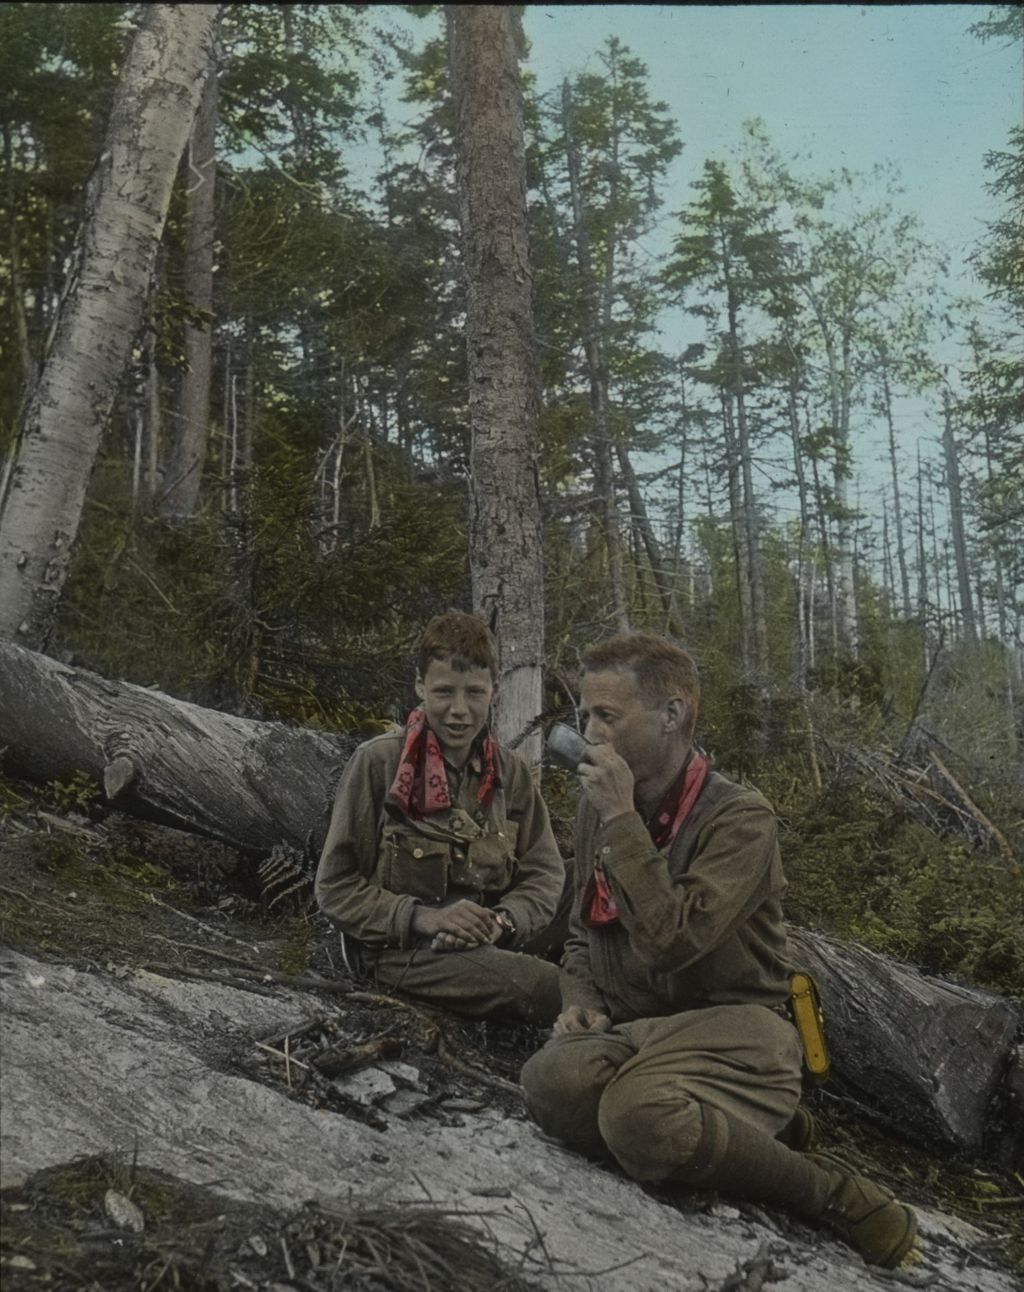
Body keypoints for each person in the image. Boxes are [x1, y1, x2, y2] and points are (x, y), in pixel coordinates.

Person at [521, 633, 918, 1269]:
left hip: (738, 1028)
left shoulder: (739, 818)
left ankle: (827, 1191)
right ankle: (747, 1126)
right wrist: (581, 999)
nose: (588, 733)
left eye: (607, 716)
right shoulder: (603, 803)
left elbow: (673, 942)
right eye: (585, 716)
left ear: (671, 714)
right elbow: (581, 932)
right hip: (643, 1029)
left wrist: (623, 823)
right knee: (551, 1085)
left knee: (637, 1122)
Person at [315, 611, 565, 1026]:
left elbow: (545, 872)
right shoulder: (379, 763)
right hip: (406, 949)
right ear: (420, 687)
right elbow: (336, 887)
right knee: (547, 989)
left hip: (485, 930)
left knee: (590, 886)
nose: (459, 711)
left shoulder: (510, 772)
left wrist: (503, 922)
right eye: (444, 692)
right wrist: (425, 918)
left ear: (493, 691)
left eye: (475, 693)